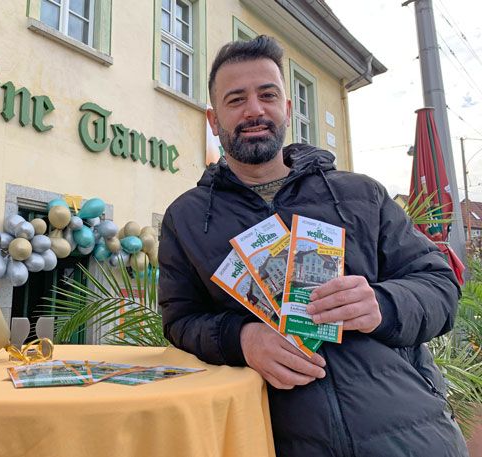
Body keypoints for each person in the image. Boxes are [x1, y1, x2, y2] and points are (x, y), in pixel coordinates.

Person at [158, 35, 469, 457]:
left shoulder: (361, 194)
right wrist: (241, 338)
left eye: (267, 95)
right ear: (214, 121)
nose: (254, 110)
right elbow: (180, 322)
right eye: (236, 99)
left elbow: (439, 285)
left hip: (410, 435)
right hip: (273, 440)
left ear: (286, 110)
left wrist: (383, 303)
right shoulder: (187, 218)